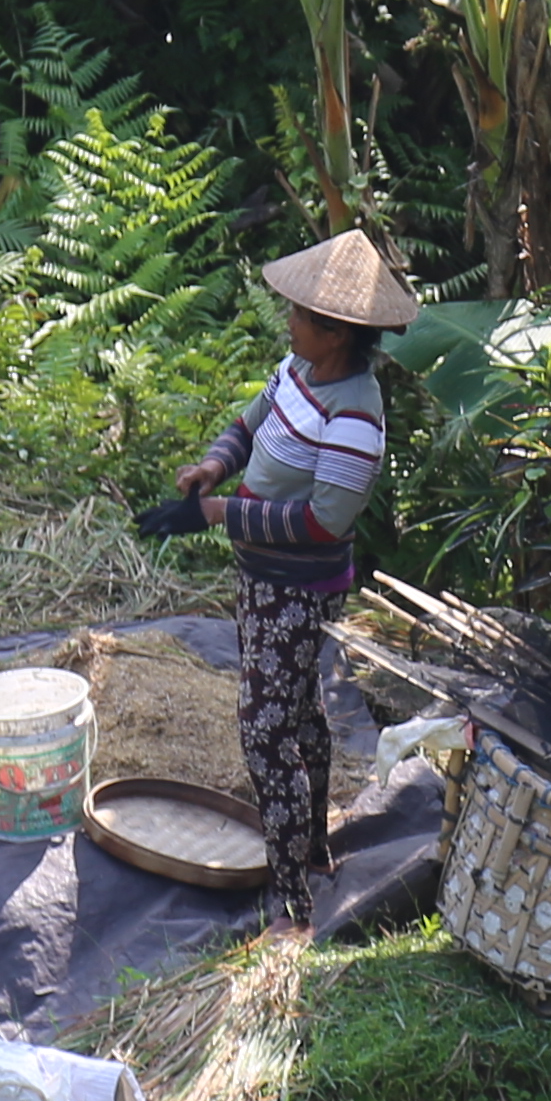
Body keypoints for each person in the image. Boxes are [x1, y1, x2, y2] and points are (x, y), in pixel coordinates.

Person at [152, 231, 417, 927]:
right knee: (297, 713)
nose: (288, 321)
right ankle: (317, 848)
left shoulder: (357, 414)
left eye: (300, 314)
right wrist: (214, 466)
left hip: (300, 589)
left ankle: (291, 893)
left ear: (336, 333)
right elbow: (252, 422)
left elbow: (325, 521)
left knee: (266, 731)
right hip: (260, 575)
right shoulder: (300, 370)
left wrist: (221, 512)